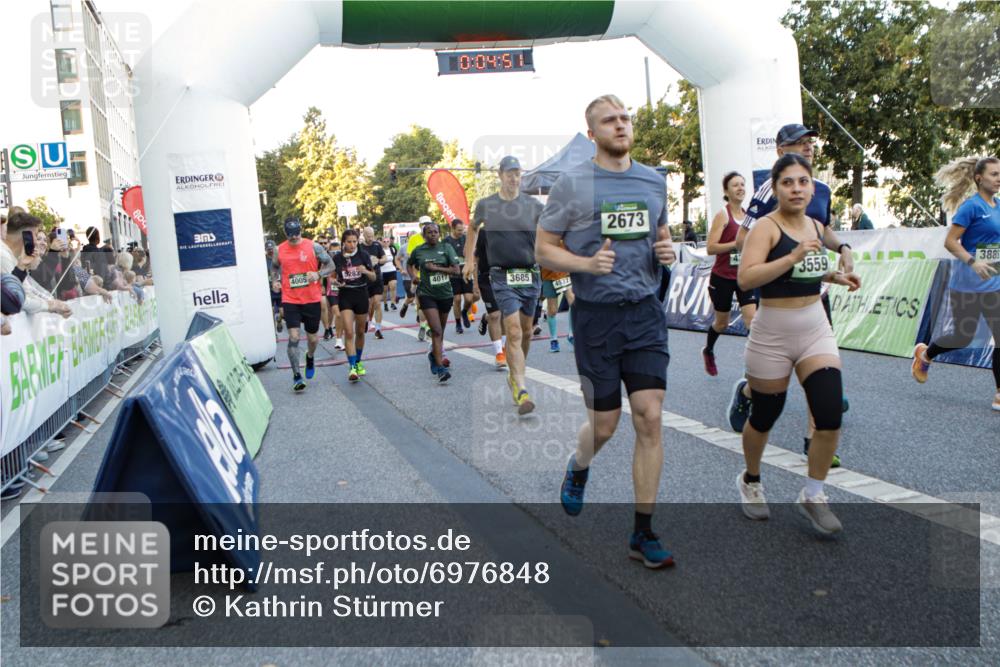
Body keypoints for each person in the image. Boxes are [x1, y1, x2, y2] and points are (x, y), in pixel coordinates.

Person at [536, 94, 677, 568]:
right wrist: (585, 263)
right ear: (591, 133)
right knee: (605, 425)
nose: (620, 126)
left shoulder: (654, 181)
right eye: (609, 121)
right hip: (595, 318)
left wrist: (666, 252)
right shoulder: (572, 185)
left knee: (649, 416)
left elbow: (661, 235)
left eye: (624, 118)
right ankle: (579, 466)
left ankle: (644, 531)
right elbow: (544, 250)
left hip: (643, 313)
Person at [734, 153, 860, 534]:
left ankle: (814, 493)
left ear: (811, 186)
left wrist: (840, 272)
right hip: (773, 331)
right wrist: (790, 256)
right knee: (765, 416)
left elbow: (818, 262)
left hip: (814, 327)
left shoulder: (816, 227)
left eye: (803, 181)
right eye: (788, 182)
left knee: (829, 413)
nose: (796, 188)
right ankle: (751, 480)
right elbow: (746, 278)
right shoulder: (766, 229)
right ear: (775, 189)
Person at [912, 156, 1000, 411]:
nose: (998, 179)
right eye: (994, 174)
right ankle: (926, 354)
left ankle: (998, 393)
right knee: (962, 336)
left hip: (993, 283)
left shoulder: (998, 206)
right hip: (967, 284)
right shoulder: (970, 207)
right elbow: (950, 242)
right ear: (978, 178)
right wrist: (973, 262)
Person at [465, 156, 544, 415]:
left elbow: (550, 232)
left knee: (527, 332)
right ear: (499, 175)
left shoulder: (533, 205)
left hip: (531, 274)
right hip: (503, 275)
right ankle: (521, 388)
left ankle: (515, 372)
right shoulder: (487, 205)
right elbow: (472, 228)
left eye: (517, 173)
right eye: (509, 173)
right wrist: (468, 260)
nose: (514, 177)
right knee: (512, 331)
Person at [270, 218, 334, 392]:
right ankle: (297, 375)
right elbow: (275, 267)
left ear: (301, 231)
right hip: (290, 300)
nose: (294, 238)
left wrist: (318, 274)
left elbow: (331, 265)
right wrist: (275, 280)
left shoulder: (314, 246)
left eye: (297, 235)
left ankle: (310, 356)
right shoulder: (279, 249)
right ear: (286, 233)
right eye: (291, 236)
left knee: (313, 339)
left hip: (311, 299)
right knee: (294, 337)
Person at [702, 171, 757, 376]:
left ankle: (753, 368)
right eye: (735, 185)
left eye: (742, 184)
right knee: (722, 323)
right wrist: (737, 243)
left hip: (744, 276)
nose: (740, 188)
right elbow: (710, 248)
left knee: (752, 321)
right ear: (726, 191)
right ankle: (708, 350)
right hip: (722, 277)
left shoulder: (750, 217)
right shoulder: (723, 215)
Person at [408, 221, 461, 383]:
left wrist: (436, 268)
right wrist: (413, 277)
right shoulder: (419, 251)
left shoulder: (446, 248)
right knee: (436, 330)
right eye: (429, 232)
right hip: (426, 294)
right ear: (424, 235)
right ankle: (440, 369)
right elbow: (409, 264)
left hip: (445, 294)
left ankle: (433, 355)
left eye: (435, 232)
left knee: (441, 331)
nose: (432, 234)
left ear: (439, 234)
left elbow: (456, 270)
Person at [1, 210, 72, 319]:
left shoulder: (15, 258)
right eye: (36, 236)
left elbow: (27, 290)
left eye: (44, 240)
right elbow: (16, 298)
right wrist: (50, 305)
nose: (39, 243)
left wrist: (53, 303)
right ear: (26, 235)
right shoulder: (3, 256)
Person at [333, 228, 377, 382]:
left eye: (354, 241)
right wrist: (335, 281)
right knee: (349, 332)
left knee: (360, 331)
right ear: (343, 242)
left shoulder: (363, 255)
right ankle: (352, 367)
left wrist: (365, 271)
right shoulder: (337, 257)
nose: (352, 245)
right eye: (349, 242)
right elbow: (331, 278)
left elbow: (373, 277)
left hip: (361, 294)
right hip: (345, 295)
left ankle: (358, 361)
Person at [472, 222, 507, 368]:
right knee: (495, 315)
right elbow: (476, 259)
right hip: (488, 277)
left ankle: (504, 347)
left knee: (505, 313)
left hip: (507, 276)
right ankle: (499, 353)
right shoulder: (484, 232)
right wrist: (475, 283)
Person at [443, 219, 474, 334]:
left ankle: (464, 312)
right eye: (459, 230)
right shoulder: (446, 241)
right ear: (453, 229)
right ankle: (458, 323)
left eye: (463, 230)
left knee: (469, 299)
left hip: (465, 272)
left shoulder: (465, 238)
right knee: (457, 299)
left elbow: (470, 254)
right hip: (453, 274)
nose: (461, 232)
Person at [360, 226, 388, 340]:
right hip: (365, 279)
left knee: (377, 303)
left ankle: (378, 329)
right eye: (368, 236)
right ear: (364, 235)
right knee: (369, 304)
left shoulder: (377, 245)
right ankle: (368, 320)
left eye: (372, 236)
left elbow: (385, 258)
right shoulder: (360, 247)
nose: (371, 238)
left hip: (377, 278)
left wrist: (378, 260)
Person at [540, 263, 574, 352]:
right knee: (552, 310)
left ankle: (572, 335)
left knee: (574, 304)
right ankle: (553, 339)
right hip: (549, 275)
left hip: (565, 273)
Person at [265, 239, 284, 333]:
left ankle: (279, 319)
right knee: (271, 312)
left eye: (272, 248)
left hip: (281, 289)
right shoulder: (263, 261)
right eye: (268, 249)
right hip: (270, 289)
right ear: (266, 250)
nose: (270, 250)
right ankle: (273, 334)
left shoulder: (281, 258)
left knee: (283, 313)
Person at [379, 236, 398, 312]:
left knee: (393, 286)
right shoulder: (380, 251)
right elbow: (378, 260)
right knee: (385, 290)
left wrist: (397, 266)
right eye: (384, 241)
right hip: (383, 271)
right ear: (382, 242)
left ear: (389, 242)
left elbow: (396, 258)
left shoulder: (392, 249)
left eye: (387, 241)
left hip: (392, 270)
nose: (386, 243)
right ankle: (385, 303)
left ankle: (393, 303)